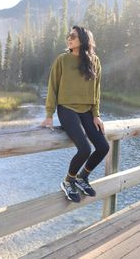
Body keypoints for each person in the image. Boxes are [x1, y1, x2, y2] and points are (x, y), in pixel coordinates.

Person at [41, 25, 110, 202]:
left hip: (87, 111)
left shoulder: (94, 61)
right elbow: (52, 87)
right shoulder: (62, 60)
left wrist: (96, 114)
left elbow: (96, 89)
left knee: (103, 147)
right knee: (85, 149)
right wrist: (49, 115)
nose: (68, 38)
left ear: (83, 40)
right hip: (67, 109)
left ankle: (82, 177)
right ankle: (68, 180)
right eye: (68, 35)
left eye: (73, 35)